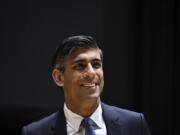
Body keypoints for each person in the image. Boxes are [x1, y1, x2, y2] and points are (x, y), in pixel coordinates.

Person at [22, 35, 151, 135]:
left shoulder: (134, 125)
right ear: (59, 77)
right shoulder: (35, 132)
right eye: (80, 66)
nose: (91, 73)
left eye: (96, 64)